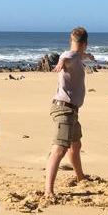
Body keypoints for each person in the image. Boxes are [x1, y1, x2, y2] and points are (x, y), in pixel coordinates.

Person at [44, 26, 96, 198]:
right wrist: (60, 62)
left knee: (76, 144)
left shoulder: (78, 56)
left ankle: (80, 177)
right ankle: (48, 190)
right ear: (86, 43)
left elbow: (76, 55)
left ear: (72, 41)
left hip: (71, 110)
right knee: (59, 148)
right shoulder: (71, 56)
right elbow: (67, 56)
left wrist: (87, 56)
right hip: (64, 109)